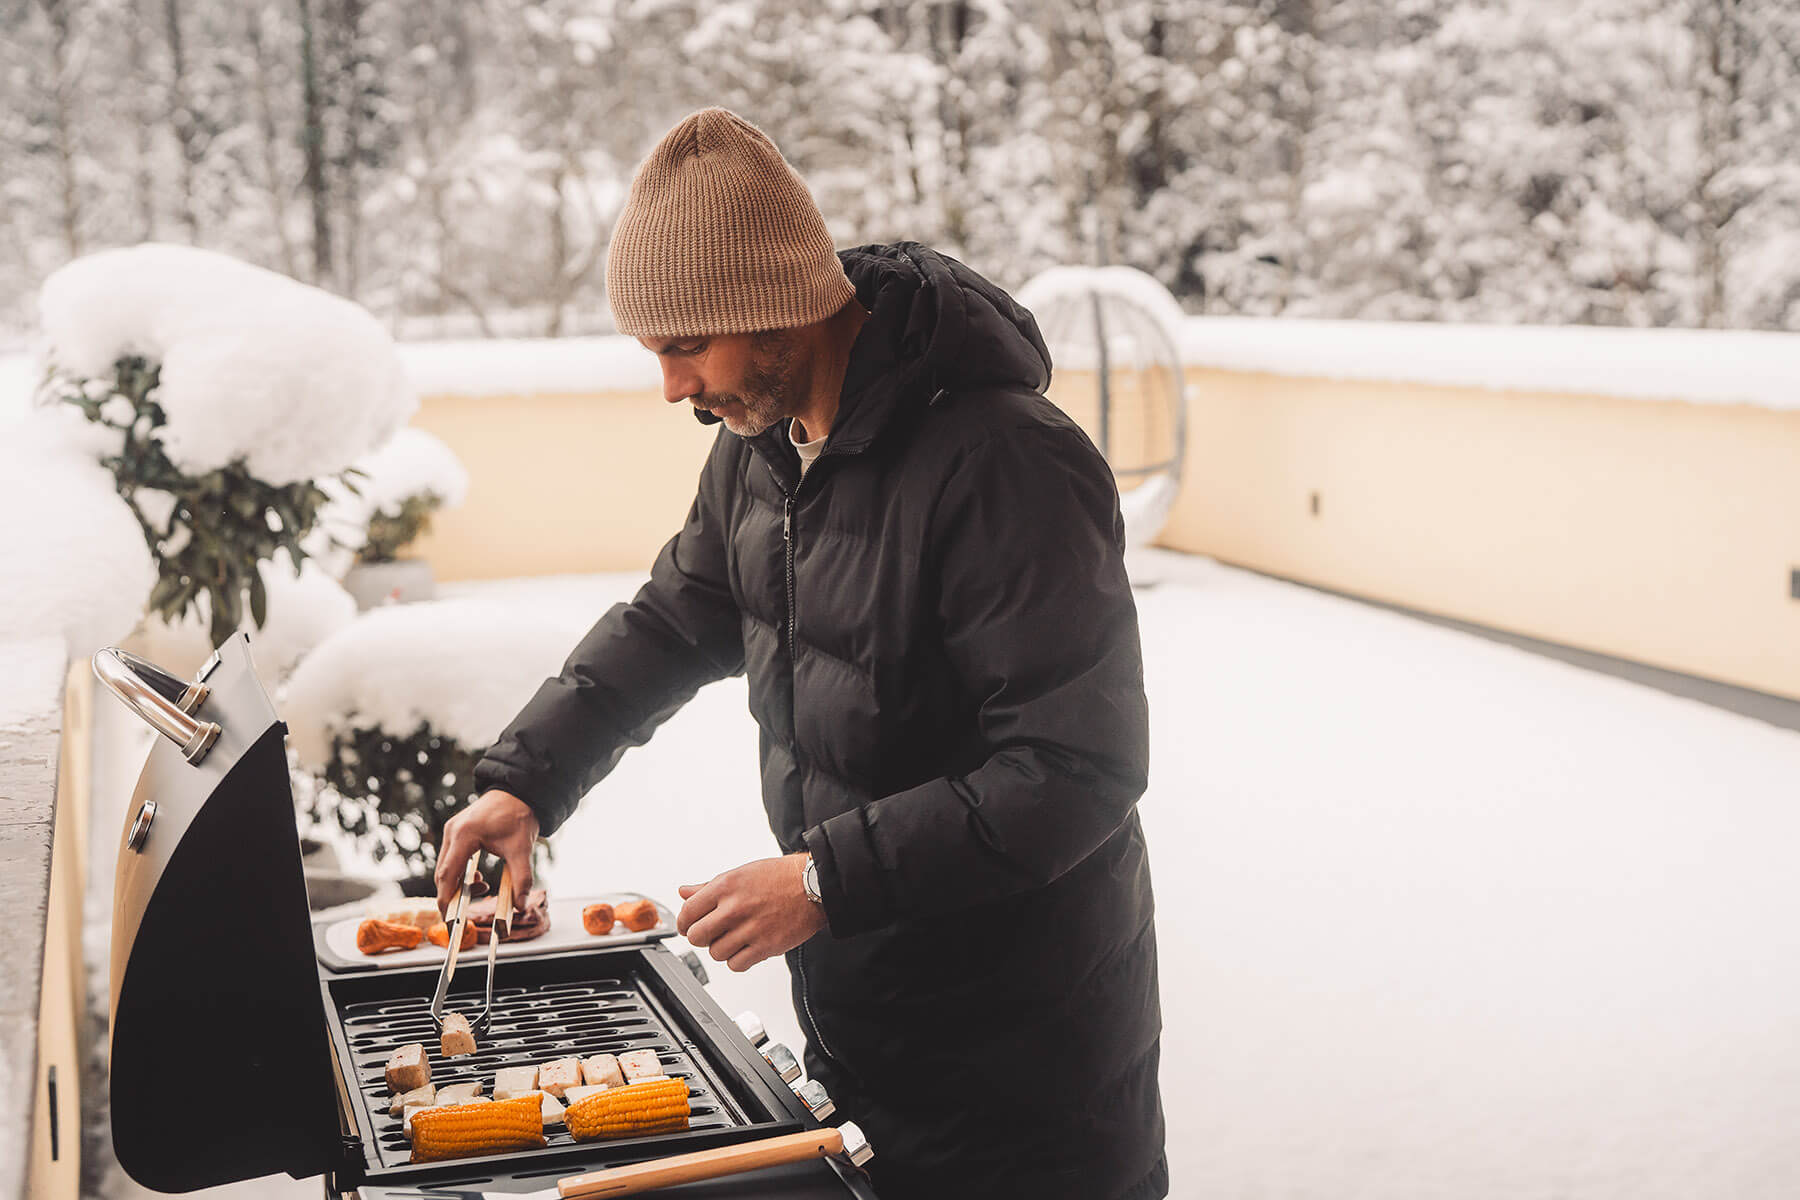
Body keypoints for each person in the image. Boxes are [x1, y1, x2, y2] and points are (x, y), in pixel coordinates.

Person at [435, 106, 1166, 1200]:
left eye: (686, 346)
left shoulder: (1007, 464)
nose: (672, 387)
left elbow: (1076, 768)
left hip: (1025, 1065)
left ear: (774, 304)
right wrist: (525, 781)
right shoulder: (761, 446)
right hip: (865, 1018)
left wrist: (825, 879)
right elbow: (674, 619)